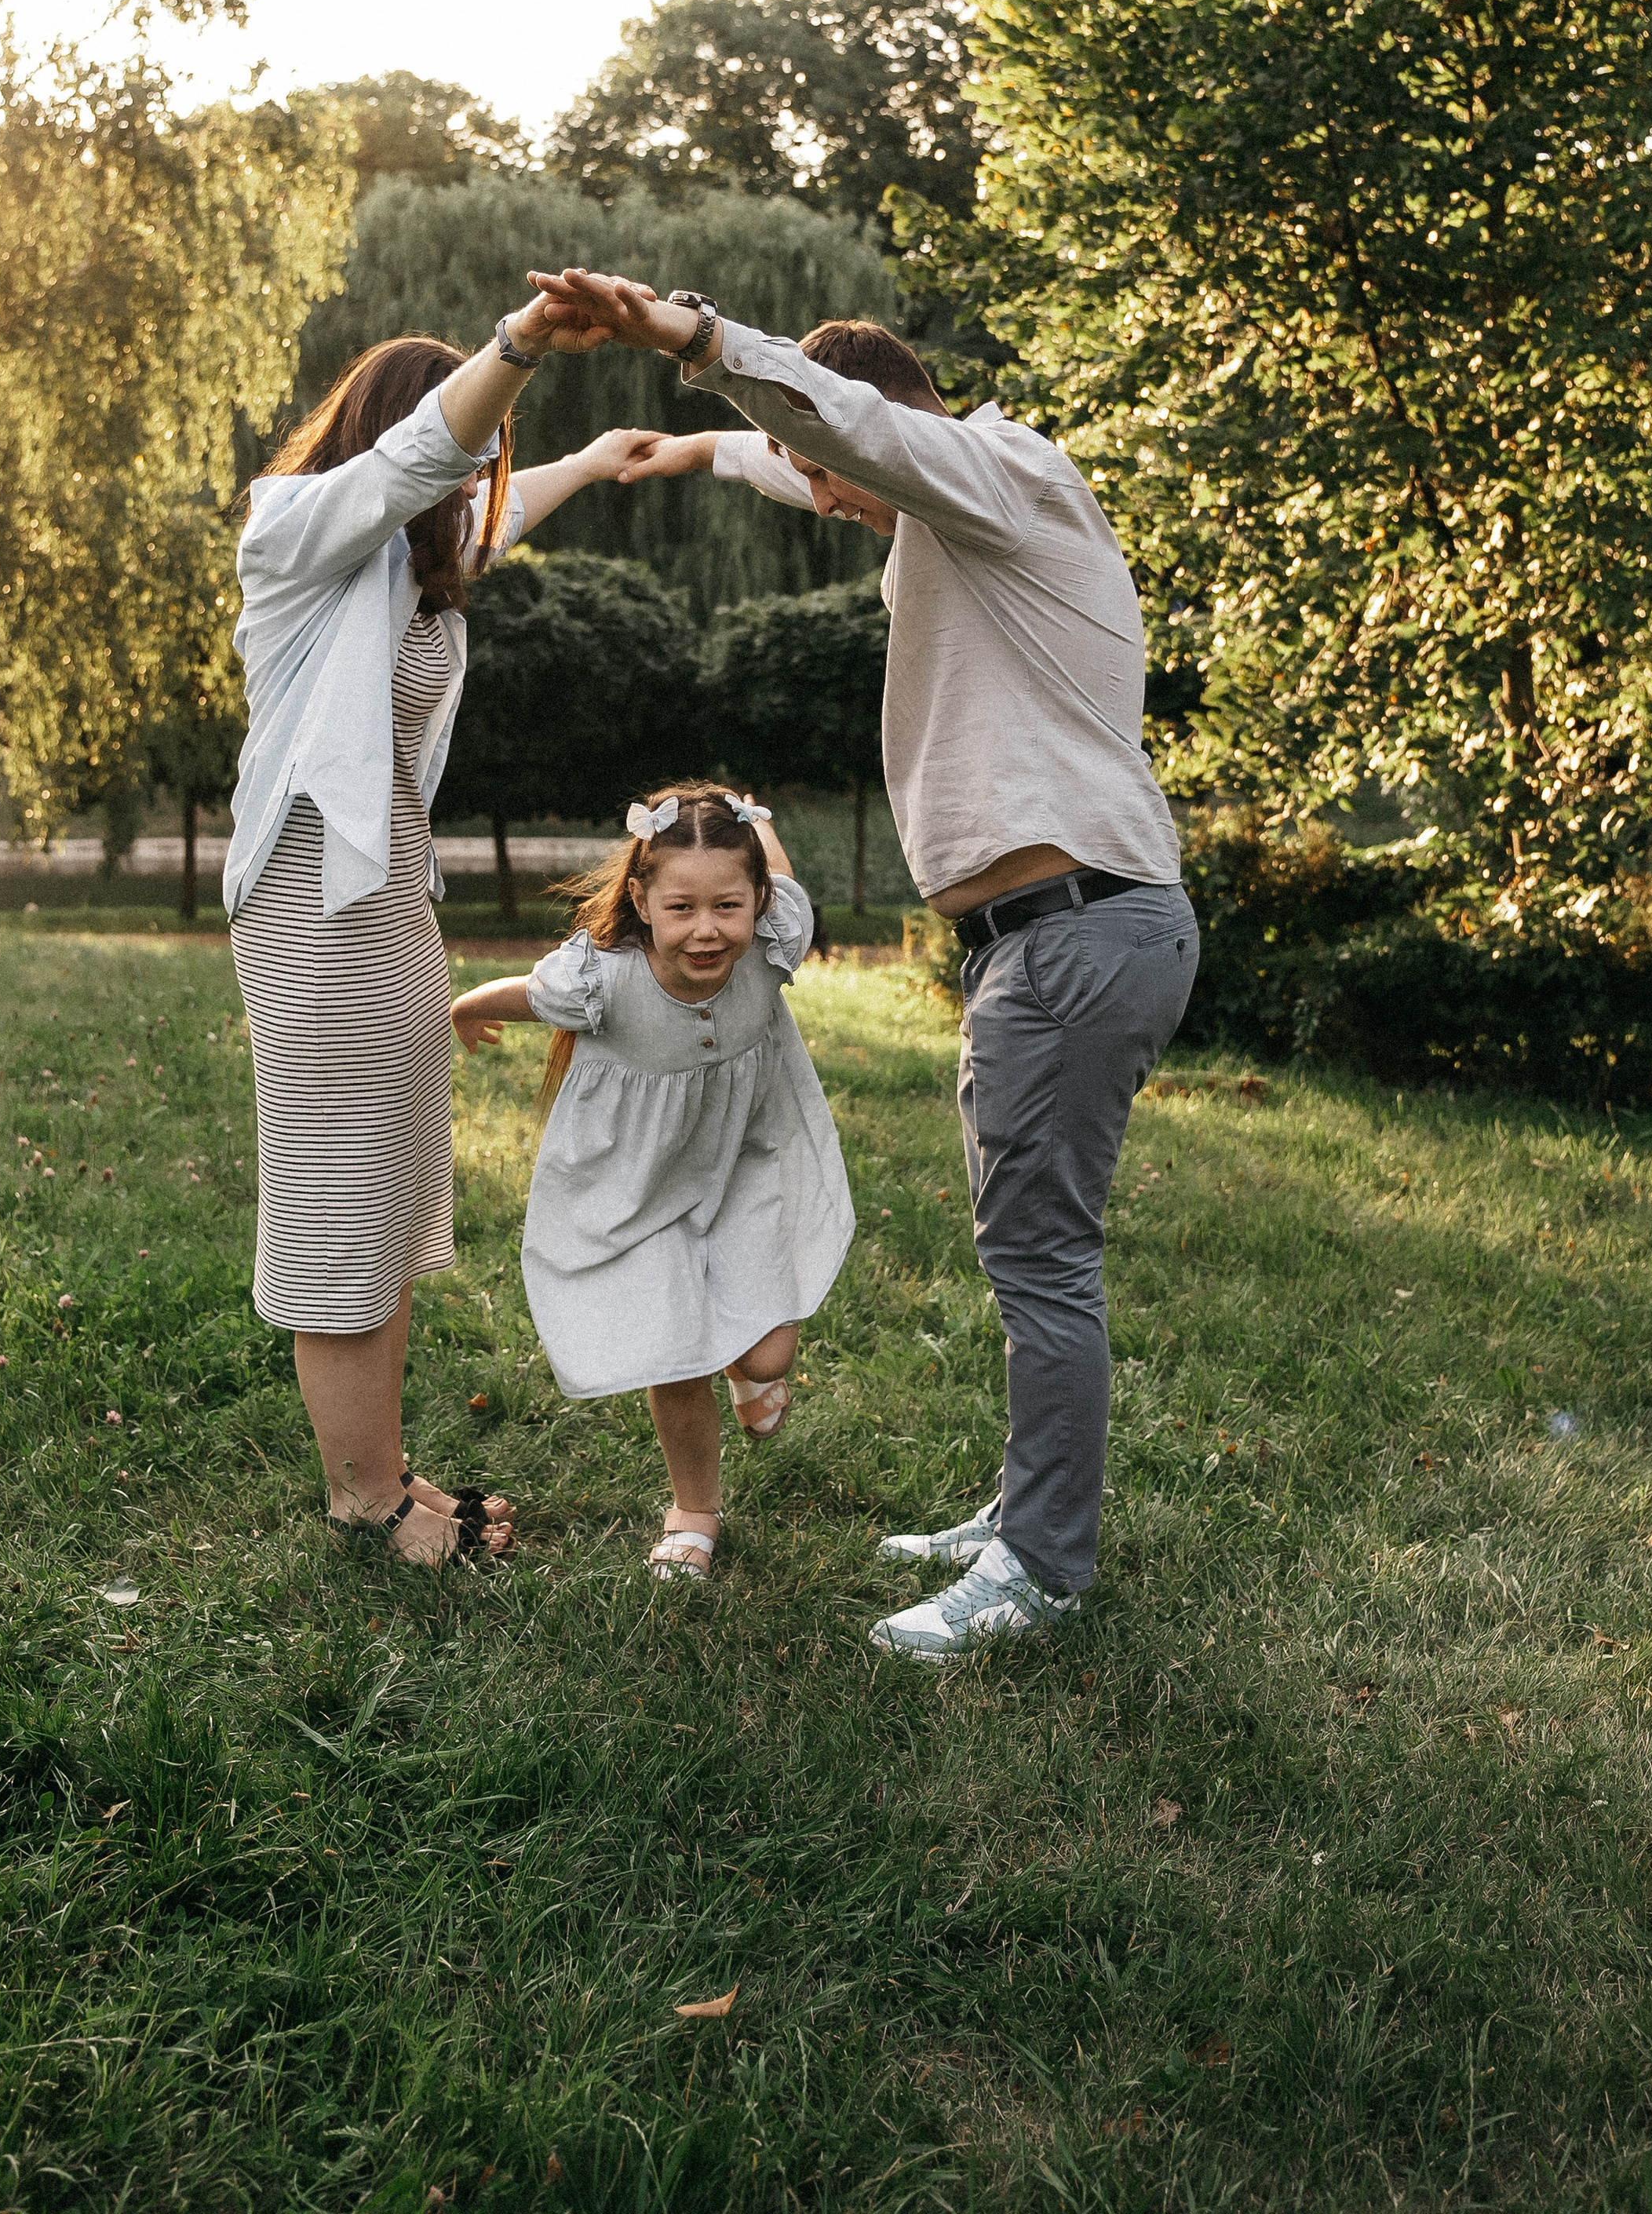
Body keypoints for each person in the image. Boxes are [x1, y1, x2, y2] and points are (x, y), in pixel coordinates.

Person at [532, 270, 1198, 1656]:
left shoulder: (999, 471)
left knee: (1043, 1264)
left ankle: (1043, 1569)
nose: (827, 502)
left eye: (836, 471)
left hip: (1077, 931)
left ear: (884, 422)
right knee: (1028, 1253)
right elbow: (818, 456)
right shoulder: (952, 515)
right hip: (1052, 937)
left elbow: (849, 437)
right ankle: (1028, 1502)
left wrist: (694, 343)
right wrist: (698, 450)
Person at [224, 289, 655, 1568]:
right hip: (313, 906)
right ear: (399, 435)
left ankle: (385, 1469)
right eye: (462, 447)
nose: (475, 481)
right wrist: (518, 352)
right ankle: (365, 1504)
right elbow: (430, 460)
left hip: (392, 906)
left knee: (395, 1193)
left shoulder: (410, 559)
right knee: (338, 1196)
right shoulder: (296, 529)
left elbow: (477, 506)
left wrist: (591, 459)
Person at [450, 786, 855, 1579]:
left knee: (769, 1355)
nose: (706, 930)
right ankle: (693, 1515)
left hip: (746, 1164)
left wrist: (757, 821)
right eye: (681, 907)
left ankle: (749, 1375)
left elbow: (781, 876)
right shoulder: (600, 978)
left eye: (726, 906)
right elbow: (525, 996)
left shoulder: (774, 941)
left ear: (756, 902)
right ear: (641, 898)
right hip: (635, 1191)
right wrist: (466, 1007)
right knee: (677, 1353)